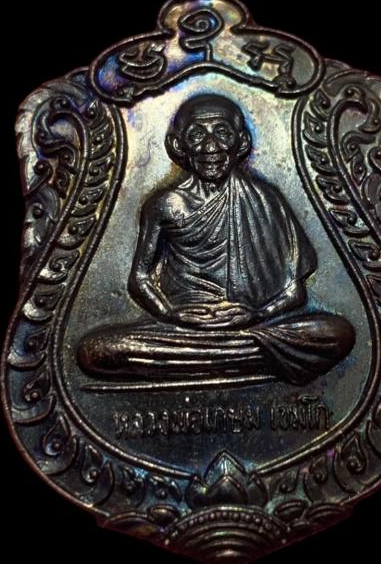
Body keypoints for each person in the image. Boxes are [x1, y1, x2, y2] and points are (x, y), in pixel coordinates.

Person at [77, 94, 354, 385]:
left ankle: (203, 361)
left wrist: (258, 313)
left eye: (222, 133)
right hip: (182, 330)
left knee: (336, 332)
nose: (210, 147)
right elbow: (140, 279)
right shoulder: (165, 204)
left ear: (242, 143)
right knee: (95, 351)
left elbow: (294, 291)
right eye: (197, 135)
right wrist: (171, 313)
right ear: (178, 145)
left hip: (252, 326)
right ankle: (254, 361)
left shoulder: (266, 199)